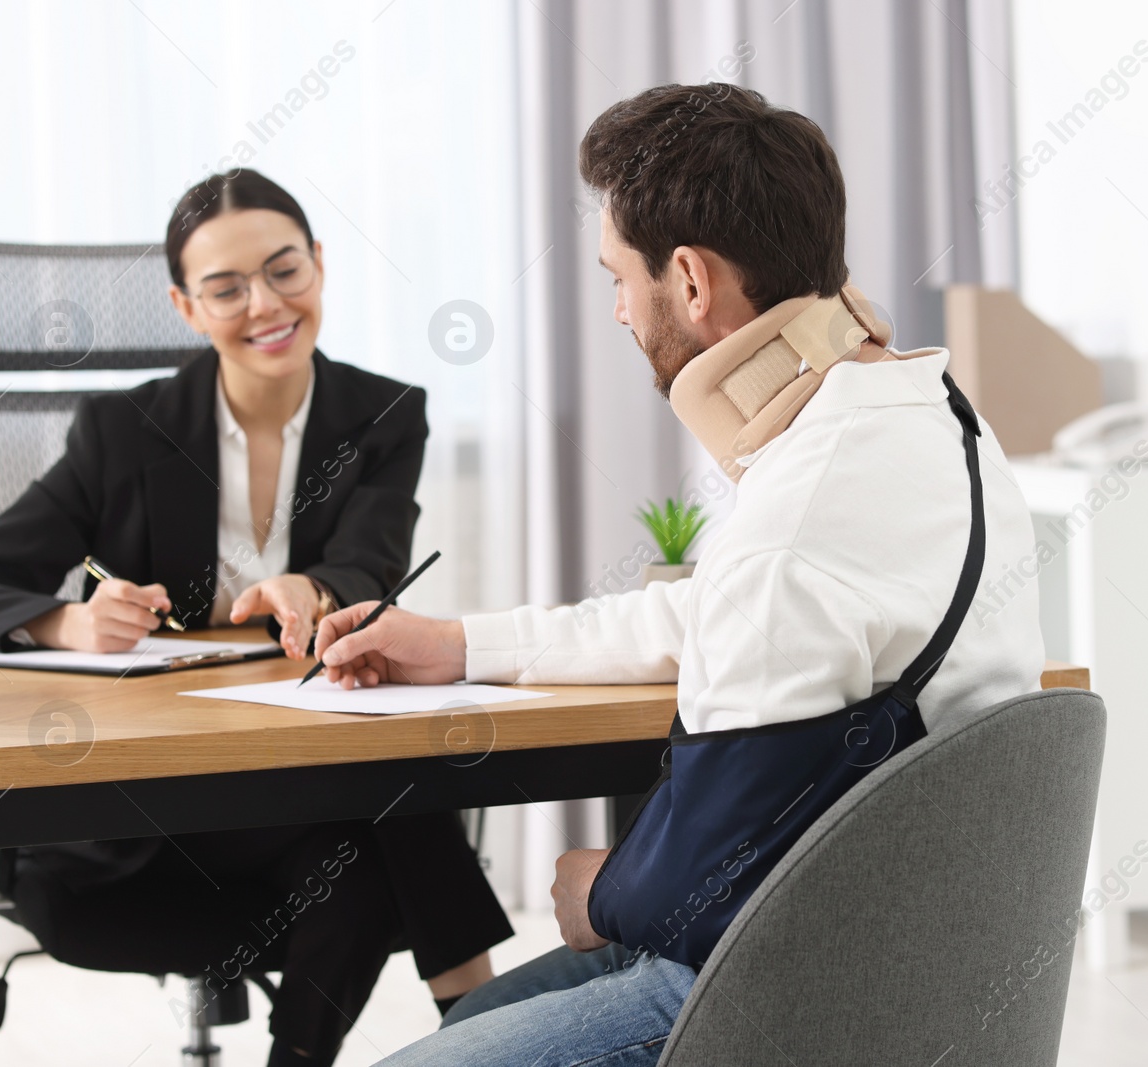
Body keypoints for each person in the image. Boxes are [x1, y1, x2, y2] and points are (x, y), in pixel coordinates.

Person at [311, 85, 1047, 1066]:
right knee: (469, 1028)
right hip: (931, 943)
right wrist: (460, 645)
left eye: (618, 276)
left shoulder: (794, 522)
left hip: (797, 978)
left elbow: (698, 887)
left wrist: (598, 887)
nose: (618, 309)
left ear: (691, 281)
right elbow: (721, 611)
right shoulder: (931, 415)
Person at [0, 169, 512, 1066]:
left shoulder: (383, 414)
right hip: (137, 816)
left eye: (284, 271)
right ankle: (483, 1016)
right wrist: (63, 624)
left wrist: (311, 586)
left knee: (359, 859)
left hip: (297, 794)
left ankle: (454, 1030)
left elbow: (370, 559)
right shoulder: (122, 431)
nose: (264, 304)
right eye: (226, 288)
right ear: (184, 306)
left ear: (320, 263)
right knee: (385, 813)